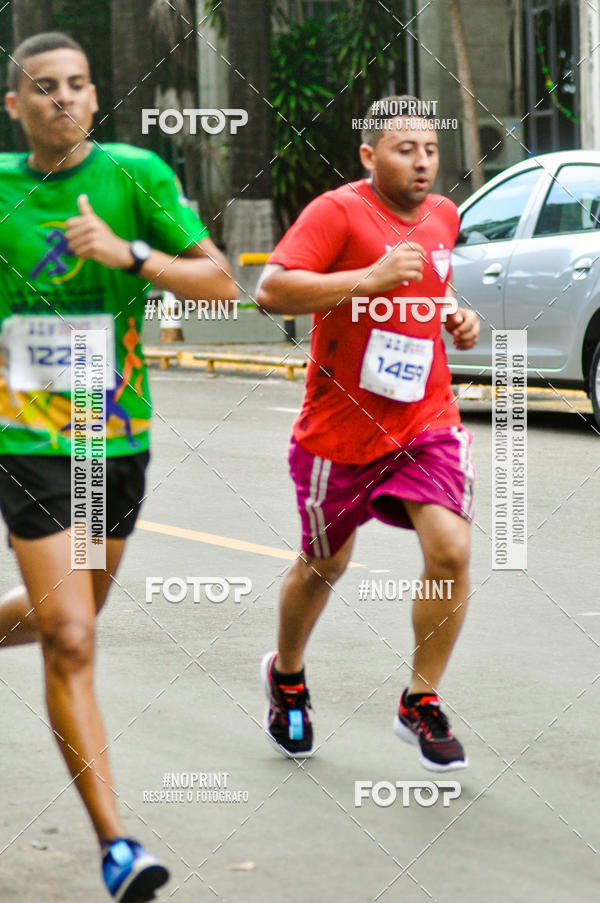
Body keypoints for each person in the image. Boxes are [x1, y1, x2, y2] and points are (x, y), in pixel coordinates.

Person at [0, 32, 236, 901]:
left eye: (77, 85)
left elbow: (220, 283)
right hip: (27, 442)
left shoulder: (136, 175)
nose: (62, 98)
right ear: (15, 105)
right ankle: (117, 845)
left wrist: (129, 253)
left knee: (76, 612)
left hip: (114, 443)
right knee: (72, 638)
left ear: (95, 97)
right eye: (43, 88)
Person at [256, 96, 479, 773]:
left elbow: (428, 286)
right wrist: (370, 277)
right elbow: (272, 289)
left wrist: (453, 316)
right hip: (339, 431)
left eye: (431, 151)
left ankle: (420, 698)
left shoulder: (444, 215)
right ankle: (287, 675)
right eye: (405, 149)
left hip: (425, 419)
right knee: (325, 564)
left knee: (451, 548)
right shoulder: (337, 212)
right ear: (369, 155)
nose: (421, 162)